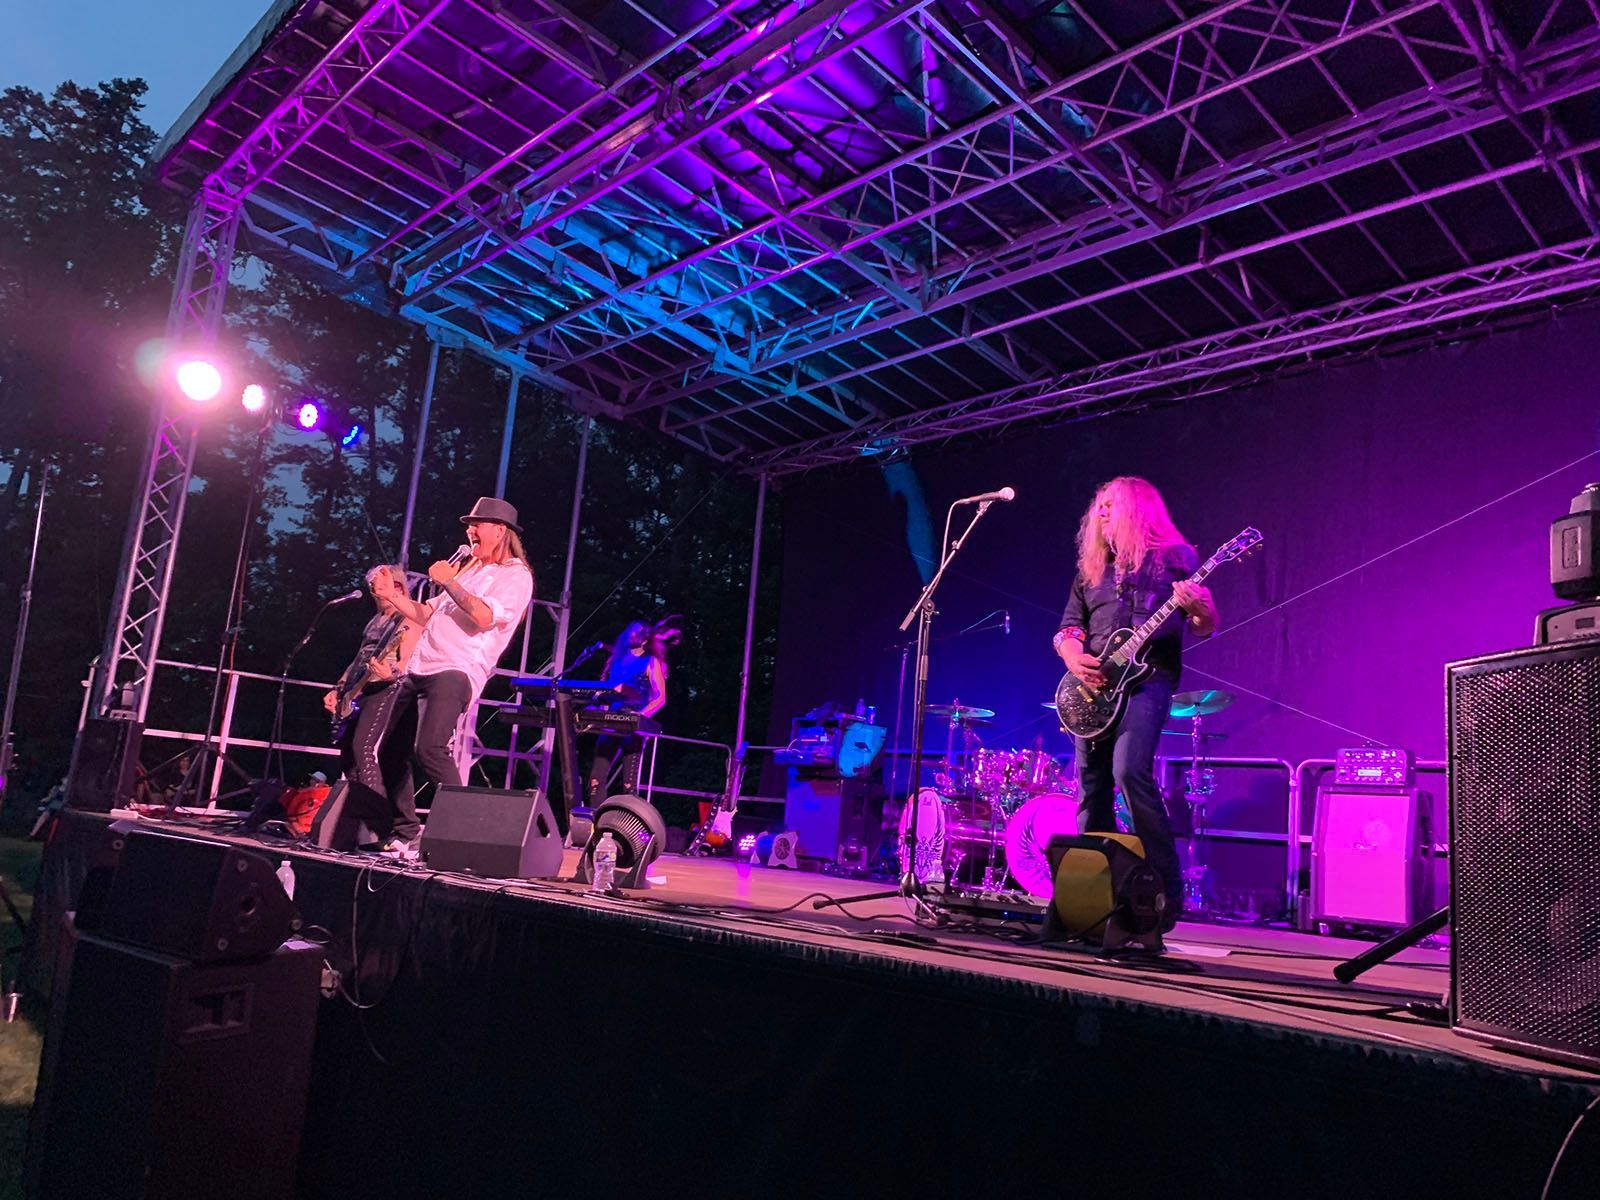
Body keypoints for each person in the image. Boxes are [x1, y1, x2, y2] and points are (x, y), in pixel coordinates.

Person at [1053, 477, 1219, 931]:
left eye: (1111, 504)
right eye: (1098, 505)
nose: (1101, 512)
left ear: (1138, 510)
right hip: (1094, 688)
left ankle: (1165, 895)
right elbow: (1069, 627)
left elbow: (1204, 625)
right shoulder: (1091, 569)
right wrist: (1073, 654)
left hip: (1149, 681)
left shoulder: (1175, 559)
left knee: (1129, 772)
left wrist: (1201, 608)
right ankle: (1089, 895)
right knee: (1091, 787)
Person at [359, 497, 535, 859]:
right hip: (420, 667)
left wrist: (451, 583)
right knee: (390, 750)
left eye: (477, 524)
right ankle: (406, 831)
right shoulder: (469, 571)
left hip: (456, 669)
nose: (470, 530)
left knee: (430, 749)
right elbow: (426, 613)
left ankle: (464, 833)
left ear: (499, 530)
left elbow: (484, 618)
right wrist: (393, 596)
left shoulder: (515, 576)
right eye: (469, 524)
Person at [324, 563, 421, 833]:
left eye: (378, 587)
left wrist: (391, 673)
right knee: (348, 756)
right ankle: (359, 822)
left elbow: (406, 661)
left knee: (364, 749)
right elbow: (360, 657)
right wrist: (339, 687)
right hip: (359, 689)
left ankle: (380, 826)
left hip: (386, 688)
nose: (373, 592)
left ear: (397, 587)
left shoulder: (407, 618)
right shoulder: (375, 620)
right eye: (372, 587)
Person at [584, 617, 679, 806]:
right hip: (610, 721)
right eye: (630, 630)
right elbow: (608, 691)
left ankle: (624, 826)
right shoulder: (616, 660)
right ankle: (596, 825)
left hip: (633, 723)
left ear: (645, 638)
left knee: (628, 783)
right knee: (595, 779)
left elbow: (660, 697)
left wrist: (641, 715)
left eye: (637, 632)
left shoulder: (651, 661)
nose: (632, 635)